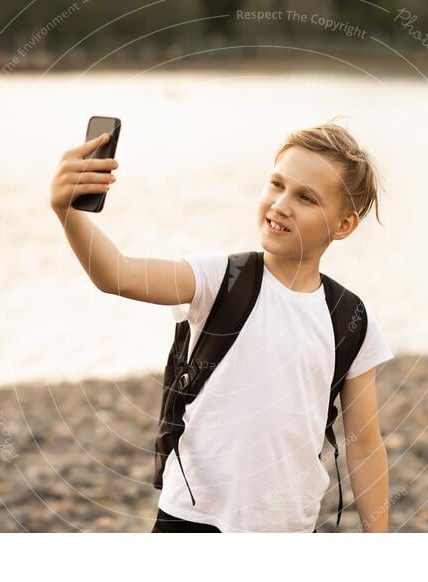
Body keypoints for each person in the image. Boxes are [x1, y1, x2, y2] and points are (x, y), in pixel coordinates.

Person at [50, 122, 394, 533]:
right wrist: (66, 212)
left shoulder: (350, 318)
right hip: (193, 519)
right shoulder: (219, 278)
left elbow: (366, 443)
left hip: (289, 528)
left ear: (343, 225)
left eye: (305, 197)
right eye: (277, 184)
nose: (281, 204)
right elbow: (118, 274)